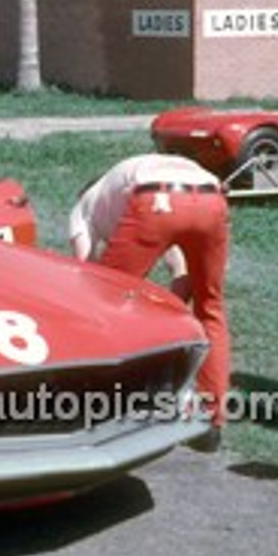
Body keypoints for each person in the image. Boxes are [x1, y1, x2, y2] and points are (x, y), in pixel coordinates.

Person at [68, 152, 230, 452]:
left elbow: (86, 276)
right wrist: (169, 317)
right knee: (210, 307)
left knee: (104, 304)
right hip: (210, 194)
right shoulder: (121, 185)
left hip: (155, 197)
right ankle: (210, 422)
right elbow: (180, 272)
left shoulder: (83, 208)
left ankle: (101, 407)